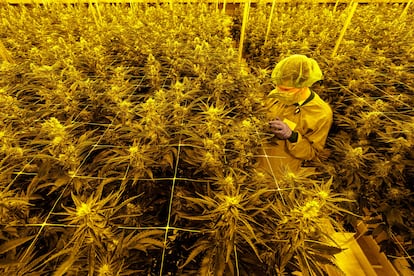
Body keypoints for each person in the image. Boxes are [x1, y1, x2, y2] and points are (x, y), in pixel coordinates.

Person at [257, 54, 333, 177]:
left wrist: (291, 135)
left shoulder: (321, 113)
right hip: (257, 161)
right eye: (278, 87)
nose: (280, 92)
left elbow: (312, 152)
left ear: (304, 86)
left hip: (280, 171)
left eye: (286, 90)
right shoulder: (275, 95)